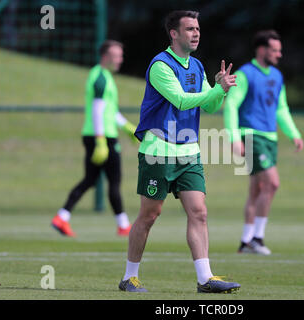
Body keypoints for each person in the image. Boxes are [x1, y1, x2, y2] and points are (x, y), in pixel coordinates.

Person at [118, 10, 241, 293]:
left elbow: (209, 107)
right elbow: (182, 101)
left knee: (199, 212)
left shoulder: (196, 66)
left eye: (197, 28)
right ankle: (129, 277)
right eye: (189, 29)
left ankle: (204, 278)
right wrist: (216, 90)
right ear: (174, 34)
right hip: (158, 150)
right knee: (150, 215)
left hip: (189, 152)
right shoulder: (160, 65)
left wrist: (222, 90)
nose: (196, 33)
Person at [224, 30, 304, 255]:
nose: (279, 54)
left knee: (257, 189)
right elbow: (231, 104)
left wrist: (294, 133)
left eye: (280, 50)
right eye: (274, 50)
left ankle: (245, 241)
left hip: (270, 138)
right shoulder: (245, 74)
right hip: (251, 135)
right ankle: (257, 238)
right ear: (261, 50)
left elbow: (281, 108)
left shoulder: (277, 76)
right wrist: (234, 138)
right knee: (273, 183)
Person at [51, 40, 139, 237]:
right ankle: (123, 225)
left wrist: (127, 127)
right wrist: (101, 141)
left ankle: (62, 217)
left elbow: (109, 110)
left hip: (97, 135)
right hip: (103, 137)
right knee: (114, 180)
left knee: (90, 179)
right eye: (117, 56)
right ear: (105, 57)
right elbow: (98, 110)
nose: (120, 60)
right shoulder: (100, 77)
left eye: (121, 56)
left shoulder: (104, 76)